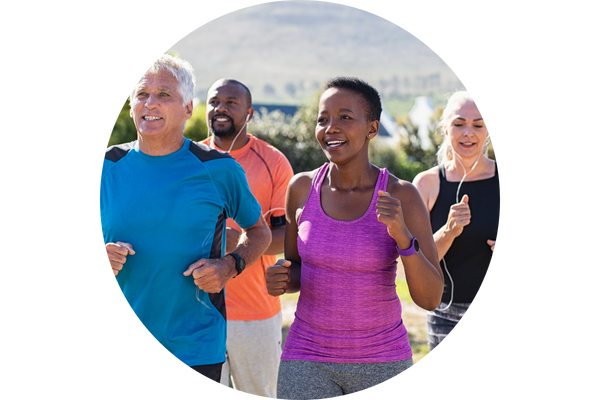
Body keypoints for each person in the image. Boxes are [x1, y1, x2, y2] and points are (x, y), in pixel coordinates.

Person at [265, 77, 444, 400]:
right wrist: (281, 277)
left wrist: (402, 235)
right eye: (323, 119)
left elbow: (430, 298)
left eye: (345, 117)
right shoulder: (301, 188)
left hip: (382, 360)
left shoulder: (402, 194)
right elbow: (295, 271)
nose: (330, 127)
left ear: (372, 129)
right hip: (307, 356)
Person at [98, 53, 271, 384]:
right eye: (141, 94)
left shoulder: (219, 169)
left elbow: (259, 231)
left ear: (189, 108)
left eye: (164, 94)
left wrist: (230, 265)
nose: (150, 103)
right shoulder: (106, 167)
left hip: (195, 346)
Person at [201, 78, 294, 399]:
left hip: (255, 312)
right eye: (214, 102)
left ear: (249, 112)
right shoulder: (188, 161)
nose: (220, 108)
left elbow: (288, 237)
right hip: (197, 310)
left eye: (231, 102)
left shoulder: (274, 162)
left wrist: (239, 240)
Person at [412, 90, 502, 354]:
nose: (468, 133)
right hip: (445, 317)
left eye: (478, 125)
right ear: (445, 127)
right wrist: (449, 232)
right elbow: (415, 263)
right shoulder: (426, 184)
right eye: (459, 123)